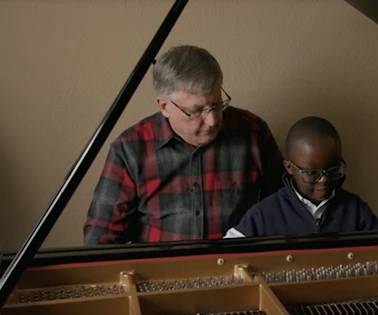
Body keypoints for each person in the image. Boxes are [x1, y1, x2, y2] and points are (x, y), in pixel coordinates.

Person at [83, 45, 285, 245]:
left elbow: (285, 209)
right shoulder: (130, 150)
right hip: (160, 272)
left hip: (238, 269)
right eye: (196, 111)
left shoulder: (253, 133)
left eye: (216, 105)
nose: (213, 120)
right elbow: (101, 236)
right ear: (164, 106)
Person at [224, 116, 378, 239]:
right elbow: (224, 256)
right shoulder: (264, 214)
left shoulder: (355, 210)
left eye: (333, 170)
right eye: (312, 172)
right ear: (289, 168)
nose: (324, 180)